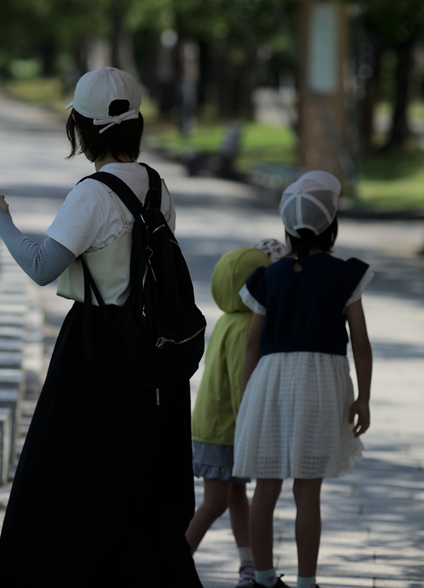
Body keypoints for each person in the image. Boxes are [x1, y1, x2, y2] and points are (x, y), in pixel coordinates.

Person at [0, 66, 203, 587]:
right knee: (135, 482)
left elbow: (41, 267)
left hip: (97, 348)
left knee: (65, 478)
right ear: (135, 125)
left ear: (80, 128)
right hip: (150, 353)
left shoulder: (93, 194)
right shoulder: (157, 186)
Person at [231, 171, 373, 588]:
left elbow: (252, 342)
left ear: (287, 230)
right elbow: (361, 344)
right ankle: (307, 582)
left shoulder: (268, 278)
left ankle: (262, 577)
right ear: (331, 227)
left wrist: (246, 398)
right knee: (307, 493)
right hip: (322, 383)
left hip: (271, 382)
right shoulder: (346, 275)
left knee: (266, 488)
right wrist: (363, 398)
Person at [185, 240, 287, 588]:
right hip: (227, 429)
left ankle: (250, 564)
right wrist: (255, 423)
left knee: (234, 496)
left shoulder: (229, 319)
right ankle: (172, 563)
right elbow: (239, 383)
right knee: (215, 503)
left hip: (212, 426)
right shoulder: (247, 327)